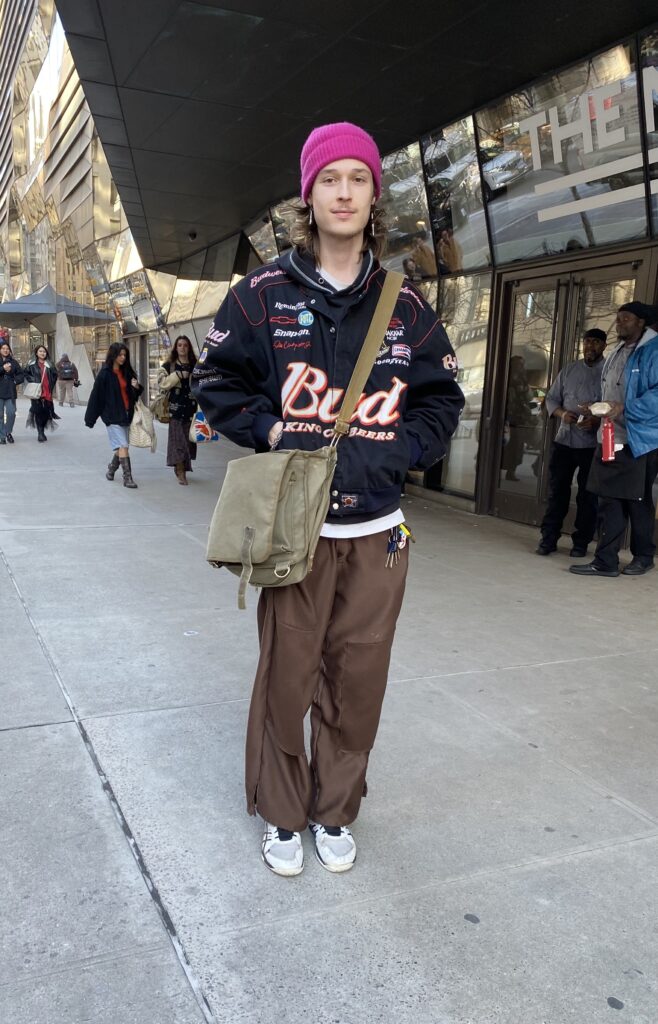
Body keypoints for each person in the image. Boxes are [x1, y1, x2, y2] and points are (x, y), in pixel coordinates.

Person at [193, 121, 464, 877]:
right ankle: (283, 814)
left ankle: (334, 809)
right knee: (288, 675)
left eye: (357, 178)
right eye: (329, 179)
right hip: (293, 532)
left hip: (379, 534)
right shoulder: (260, 296)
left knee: (358, 681)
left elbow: (443, 400)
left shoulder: (406, 306)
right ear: (307, 196)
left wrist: (403, 452)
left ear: (374, 194)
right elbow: (215, 385)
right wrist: (271, 425)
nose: (343, 192)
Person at [570, 302, 658, 578]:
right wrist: (596, 410)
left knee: (636, 499)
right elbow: (612, 391)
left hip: (639, 439)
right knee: (609, 499)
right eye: (618, 318)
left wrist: (624, 408)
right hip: (609, 435)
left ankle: (643, 556)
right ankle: (605, 561)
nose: (618, 322)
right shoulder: (618, 350)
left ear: (641, 322)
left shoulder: (653, 351)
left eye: (626, 318)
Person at [536, 329, 607, 556]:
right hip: (564, 441)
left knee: (588, 496)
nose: (590, 347)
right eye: (587, 342)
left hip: (591, 445)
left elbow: (614, 405)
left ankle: (581, 543)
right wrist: (561, 414)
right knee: (557, 492)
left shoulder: (609, 372)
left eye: (595, 343)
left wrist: (596, 420)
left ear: (603, 346)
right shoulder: (570, 369)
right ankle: (548, 538)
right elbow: (552, 398)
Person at [85, 342, 143, 488]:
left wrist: (136, 387)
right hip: (112, 416)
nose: (123, 358)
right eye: (120, 355)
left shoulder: (127, 372)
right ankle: (127, 478)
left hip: (126, 414)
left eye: (124, 355)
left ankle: (111, 469)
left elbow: (134, 394)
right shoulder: (104, 374)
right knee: (123, 445)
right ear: (113, 355)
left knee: (121, 446)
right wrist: (90, 419)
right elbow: (96, 397)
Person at [157, 334, 197, 485]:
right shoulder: (169, 365)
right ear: (175, 347)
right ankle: (180, 470)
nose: (182, 348)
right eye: (179, 345)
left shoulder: (195, 365)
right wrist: (178, 375)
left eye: (185, 345)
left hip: (191, 410)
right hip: (174, 409)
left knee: (188, 442)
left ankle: (184, 468)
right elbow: (162, 383)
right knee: (178, 441)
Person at [502, 355, 534, 481]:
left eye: (522, 364)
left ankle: (511, 472)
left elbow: (530, 397)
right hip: (505, 417)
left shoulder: (523, 380)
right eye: (518, 364)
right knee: (504, 445)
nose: (521, 367)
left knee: (517, 447)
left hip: (518, 419)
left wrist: (534, 413)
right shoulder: (505, 378)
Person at [23, 344, 58, 442]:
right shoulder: (31, 364)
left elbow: (55, 375)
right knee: (38, 412)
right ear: (36, 353)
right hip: (36, 392)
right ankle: (40, 433)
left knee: (47, 413)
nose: (42, 353)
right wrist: (33, 380)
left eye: (44, 351)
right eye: (40, 351)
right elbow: (25, 374)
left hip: (47, 392)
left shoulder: (50, 364)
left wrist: (51, 385)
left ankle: (42, 429)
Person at [0, 341, 23, 444]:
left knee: (11, 413)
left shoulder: (14, 362)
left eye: (7, 349)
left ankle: (7, 432)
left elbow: (21, 375)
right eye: (3, 348)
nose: (5, 350)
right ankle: (2, 436)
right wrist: (3, 368)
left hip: (10, 391)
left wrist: (15, 381)